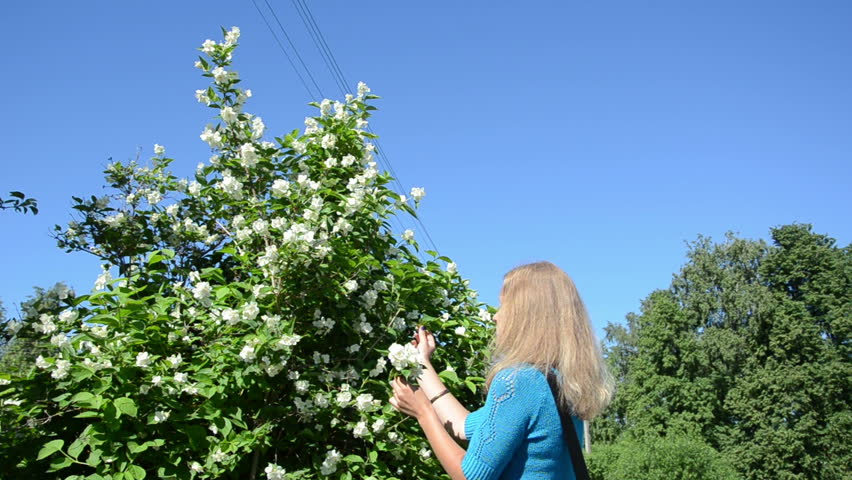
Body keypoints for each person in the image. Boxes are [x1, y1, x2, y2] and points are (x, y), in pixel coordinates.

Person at [390, 261, 614, 480]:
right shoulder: (558, 382)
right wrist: (423, 363)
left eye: (503, 305)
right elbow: (462, 426)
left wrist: (423, 413)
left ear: (525, 314)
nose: (496, 316)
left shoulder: (519, 382)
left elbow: (469, 476)